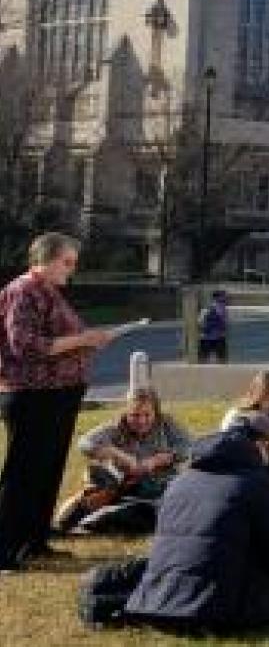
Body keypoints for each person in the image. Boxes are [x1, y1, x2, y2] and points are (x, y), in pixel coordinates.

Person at [123, 423, 269, 632]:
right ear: (259, 447)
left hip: (156, 602)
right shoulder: (256, 483)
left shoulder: (179, 482)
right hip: (223, 608)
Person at [0, 232, 117, 572]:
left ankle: (34, 542)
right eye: (67, 262)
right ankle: (6, 548)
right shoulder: (24, 290)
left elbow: (60, 340)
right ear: (45, 260)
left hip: (59, 394)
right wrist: (82, 339)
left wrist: (90, 342)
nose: (71, 269)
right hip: (33, 395)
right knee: (23, 473)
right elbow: (24, 344)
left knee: (48, 470)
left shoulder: (50, 292)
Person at [54, 387, 192, 535]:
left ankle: (98, 521)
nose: (141, 421)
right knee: (96, 492)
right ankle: (72, 522)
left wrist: (159, 460)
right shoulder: (116, 427)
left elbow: (188, 447)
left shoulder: (166, 424)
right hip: (122, 486)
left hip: (159, 486)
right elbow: (85, 443)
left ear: (156, 413)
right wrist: (118, 455)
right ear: (126, 413)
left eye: (147, 415)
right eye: (135, 415)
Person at [197, 290, 230, 364]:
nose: (225, 299)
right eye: (223, 297)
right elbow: (200, 322)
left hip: (216, 337)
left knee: (222, 360)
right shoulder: (208, 309)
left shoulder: (223, 309)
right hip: (208, 338)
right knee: (204, 360)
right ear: (217, 298)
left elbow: (200, 322)